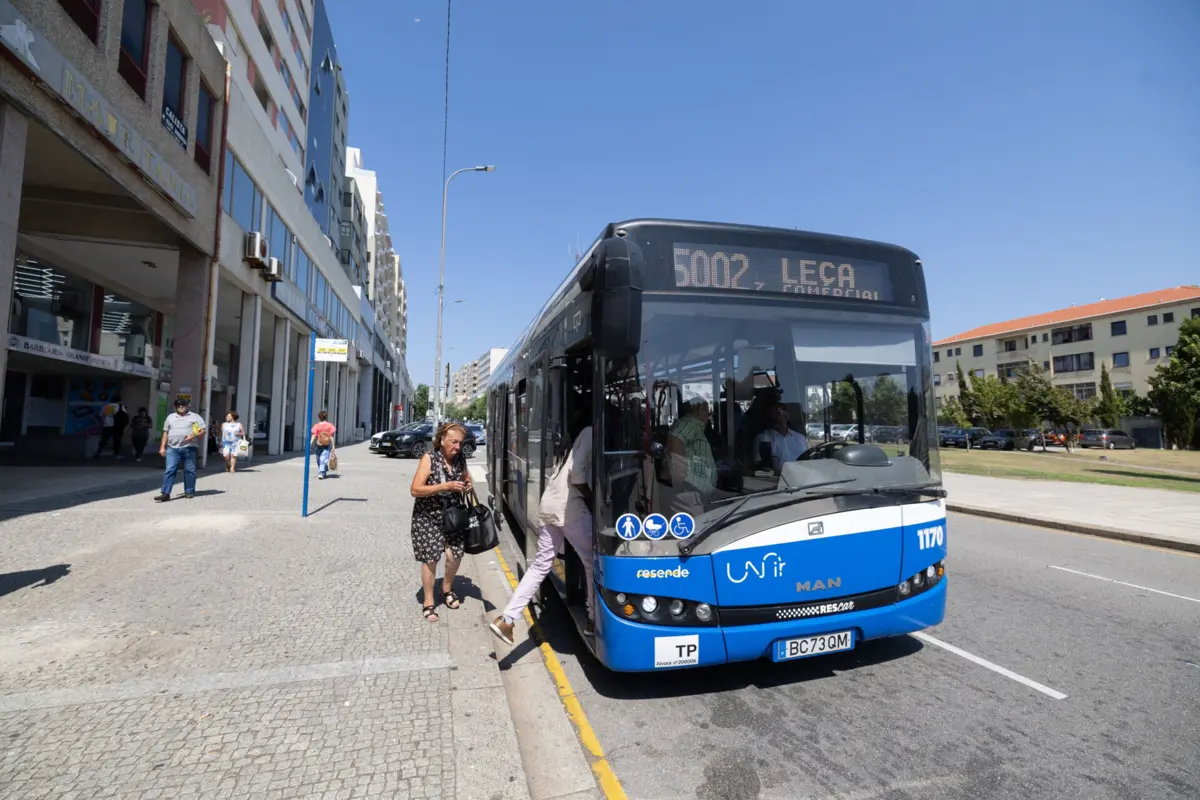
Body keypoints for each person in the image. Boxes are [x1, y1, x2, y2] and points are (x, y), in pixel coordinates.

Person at [490, 417, 594, 645]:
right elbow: (578, 476)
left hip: (549, 504)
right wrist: (594, 500)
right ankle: (593, 620)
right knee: (592, 562)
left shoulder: (571, 439)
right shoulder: (589, 431)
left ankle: (506, 619)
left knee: (540, 565)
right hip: (570, 508)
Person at [409, 422, 473, 623]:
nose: (457, 447)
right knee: (430, 558)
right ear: (442, 439)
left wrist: (467, 485)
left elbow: (466, 478)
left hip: (452, 515)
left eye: (460, 443)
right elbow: (415, 490)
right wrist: (444, 486)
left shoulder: (460, 458)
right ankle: (429, 601)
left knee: (455, 555)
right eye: (454, 442)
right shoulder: (430, 458)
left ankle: (447, 588)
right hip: (428, 515)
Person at [155, 397, 205, 502]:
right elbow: (165, 432)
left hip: (188, 448)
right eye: (178, 405)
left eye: (183, 404)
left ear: (188, 405)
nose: (180, 406)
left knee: (190, 470)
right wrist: (162, 447)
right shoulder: (170, 417)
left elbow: (202, 431)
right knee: (169, 470)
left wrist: (192, 436)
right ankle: (165, 493)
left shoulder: (195, 417)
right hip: (172, 448)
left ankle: (189, 491)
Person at [756, 404, 809, 472]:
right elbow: (760, 469)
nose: (774, 416)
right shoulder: (763, 439)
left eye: (778, 411)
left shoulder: (801, 438)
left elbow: (809, 462)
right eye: (772, 413)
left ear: (787, 415)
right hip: (776, 481)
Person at [310, 411, 336, 479]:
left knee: (319, 459)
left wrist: (310, 443)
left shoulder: (316, 426)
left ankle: (321, 473)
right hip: (327, 444)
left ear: (319, 417)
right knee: (322, 459)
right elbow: (331, 436)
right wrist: (333, 445)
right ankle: (323, 470)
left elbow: (314, 435)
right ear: (326, 417)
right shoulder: (330, 425)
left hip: (319, 444)